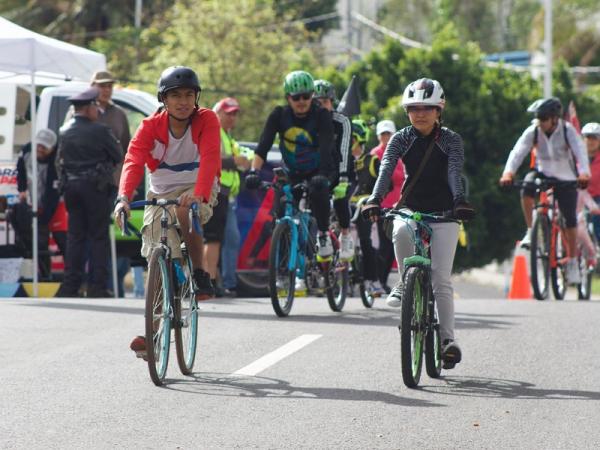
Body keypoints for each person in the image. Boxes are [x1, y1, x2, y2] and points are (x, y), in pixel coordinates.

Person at [363, 78, 475, 369]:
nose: (420, 113)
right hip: (410, 209)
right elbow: (386, 169)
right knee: (399, 232)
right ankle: (403, 282)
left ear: (440, 109)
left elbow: (453, 172)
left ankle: (448, 341)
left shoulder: (451, 139)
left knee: (441, 279)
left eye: (427, 107)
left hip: (444, 213)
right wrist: (375, 199)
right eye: (413, 108)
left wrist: (459, 201)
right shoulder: (401, 138)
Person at [113, 66, 221, 355]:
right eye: (175, 96)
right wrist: (123, 198)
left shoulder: (207, 119)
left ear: (196, 97)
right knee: (156, 256)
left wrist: (198, 193)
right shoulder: (150, 126)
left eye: (189, 95)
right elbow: (133, 159)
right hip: (160, 193)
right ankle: (154, 334)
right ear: (164, 99)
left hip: (200, 186)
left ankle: (199, 273)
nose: (183, 101)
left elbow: (211, 157)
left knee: (187, 211)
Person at [245, 70, 337, 292]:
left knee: (318, 194)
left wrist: (323, 175)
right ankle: (286, 269)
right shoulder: (279, 115)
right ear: (288, 98)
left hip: (319, 170)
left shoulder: (321, 115)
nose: (302, 102)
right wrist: (254, 172)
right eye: (296, 98)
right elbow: (264, 146)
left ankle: (324, 234)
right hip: (292, 171)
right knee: (280, 216)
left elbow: (327, 149)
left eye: (306, 96)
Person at [499, 97, 590, 284]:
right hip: (543, 173)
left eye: (544, 118)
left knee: (570, 219)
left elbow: (580, 152)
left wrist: (584, 174)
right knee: (526, 187)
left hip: (567, 177)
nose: (540, 122)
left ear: (555, 118)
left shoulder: (567, 130)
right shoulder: (533, 131)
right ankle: (531, 230)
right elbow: (518, 152)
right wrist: (508, 173)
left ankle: (572, 261)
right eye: (538, 118)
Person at [55, 87, 123, 297]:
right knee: (98, 237)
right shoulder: (99, 131)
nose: (98, 110)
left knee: (75, 237)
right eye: (95, 106)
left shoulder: (64, 131)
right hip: (95, 187)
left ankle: (71, 285)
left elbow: (60, 160)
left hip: (72, 188)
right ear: (88, 108)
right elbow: (118, 154)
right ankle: (97, 286)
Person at [90, 70, 133, 297]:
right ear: (93, 86)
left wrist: (128, 185)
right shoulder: (81, 109)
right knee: (91, 233)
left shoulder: (119, 114)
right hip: (88, 182)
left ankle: (108, 285)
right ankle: (91, 283)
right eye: (102, 85)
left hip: (113, 182)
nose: (106, 90)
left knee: (113, 236)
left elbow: (128, 152)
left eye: (109, 86)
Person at [206, 97, 253, 297]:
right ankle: (211, 282)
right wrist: (236, 161)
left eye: (235, 113)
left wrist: (243, 159)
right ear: (218, 113)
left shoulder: (226, 135)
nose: (233, 117)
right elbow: (211, 158)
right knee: (213, 240)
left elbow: (243, 154)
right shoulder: (214, 131)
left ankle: (222, 282)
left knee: (226, 239)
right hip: (215, 192)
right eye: (229, 112)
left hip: (225, 195)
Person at [16, 128, 66, 278]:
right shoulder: (26, 151)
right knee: (39, 242)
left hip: (56, 203)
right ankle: (45, 275)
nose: (40, 149)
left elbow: (53, 194)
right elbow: (20, 170)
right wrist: (22, 189)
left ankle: (72, 277)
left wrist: (43, 219)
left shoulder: (56, 160)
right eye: (38, 145)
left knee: (62, 240)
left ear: (52, 148)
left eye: (44, 147)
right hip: (35, 201)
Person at [313, 79, 354, 260]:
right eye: (316, 102)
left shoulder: (342, 121)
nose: (321, 106)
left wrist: (344, 178)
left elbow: (344, 150)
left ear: (332, 101)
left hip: (340, 168)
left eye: (324, 102)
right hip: (318, 171)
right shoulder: (309, 122)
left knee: (340, 198)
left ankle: (345, 234)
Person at [349, 119, 385, 296]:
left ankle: (373, 280)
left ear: (358, 139)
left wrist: (371, 200)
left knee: (365, 242)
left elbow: (386, 184)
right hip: (343, 205)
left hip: (363, 208)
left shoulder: (372, 160)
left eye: (350, 138)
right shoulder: (341, 161)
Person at [370, 119, 404, 293]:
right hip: (381, 206)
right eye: (383, 134)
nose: (386, 137)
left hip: (398, 206)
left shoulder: (400, 154)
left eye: (388, 134)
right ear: (378, 136)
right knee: (384, 245)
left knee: (391, 245)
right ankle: (377, 281)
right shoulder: (374, 154)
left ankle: (382, 282)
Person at [582, 122, 600, 241]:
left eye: (595, 138)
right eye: (588, 137)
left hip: (598, 197)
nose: (591, 141)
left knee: (596, 222)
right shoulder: (576, 157)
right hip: (580, 197)